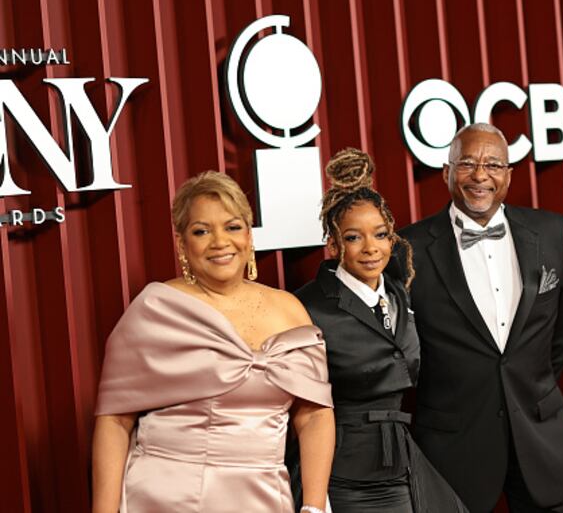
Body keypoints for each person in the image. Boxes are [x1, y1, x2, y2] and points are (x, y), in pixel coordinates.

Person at [92, 171, 335, 513]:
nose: (220, 241)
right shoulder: (156, 309)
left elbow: (314, 417)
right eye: (201, 231)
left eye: (232, 227)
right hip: (167, 497)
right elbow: (115, 421)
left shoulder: (290, 310)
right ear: (182, 244)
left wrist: (314, 506)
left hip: (264, 497)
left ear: (249, 236)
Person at [399, 123, 563, 513]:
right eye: (467, 163)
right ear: (446, 173)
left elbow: (561, 331)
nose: (480, 175)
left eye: (493, 165)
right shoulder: (407, 248)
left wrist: (531, 386)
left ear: (509, 175)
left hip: (540, 435)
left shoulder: (552, 231)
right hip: (454, 444)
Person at [295, 148, 468, 513]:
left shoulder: (398, 291)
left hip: (399, 462)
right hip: (342, 473)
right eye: (354, 237)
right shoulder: (308, 307)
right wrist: (316, 498)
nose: (371, 248)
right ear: (333, 244)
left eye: (380, 234)